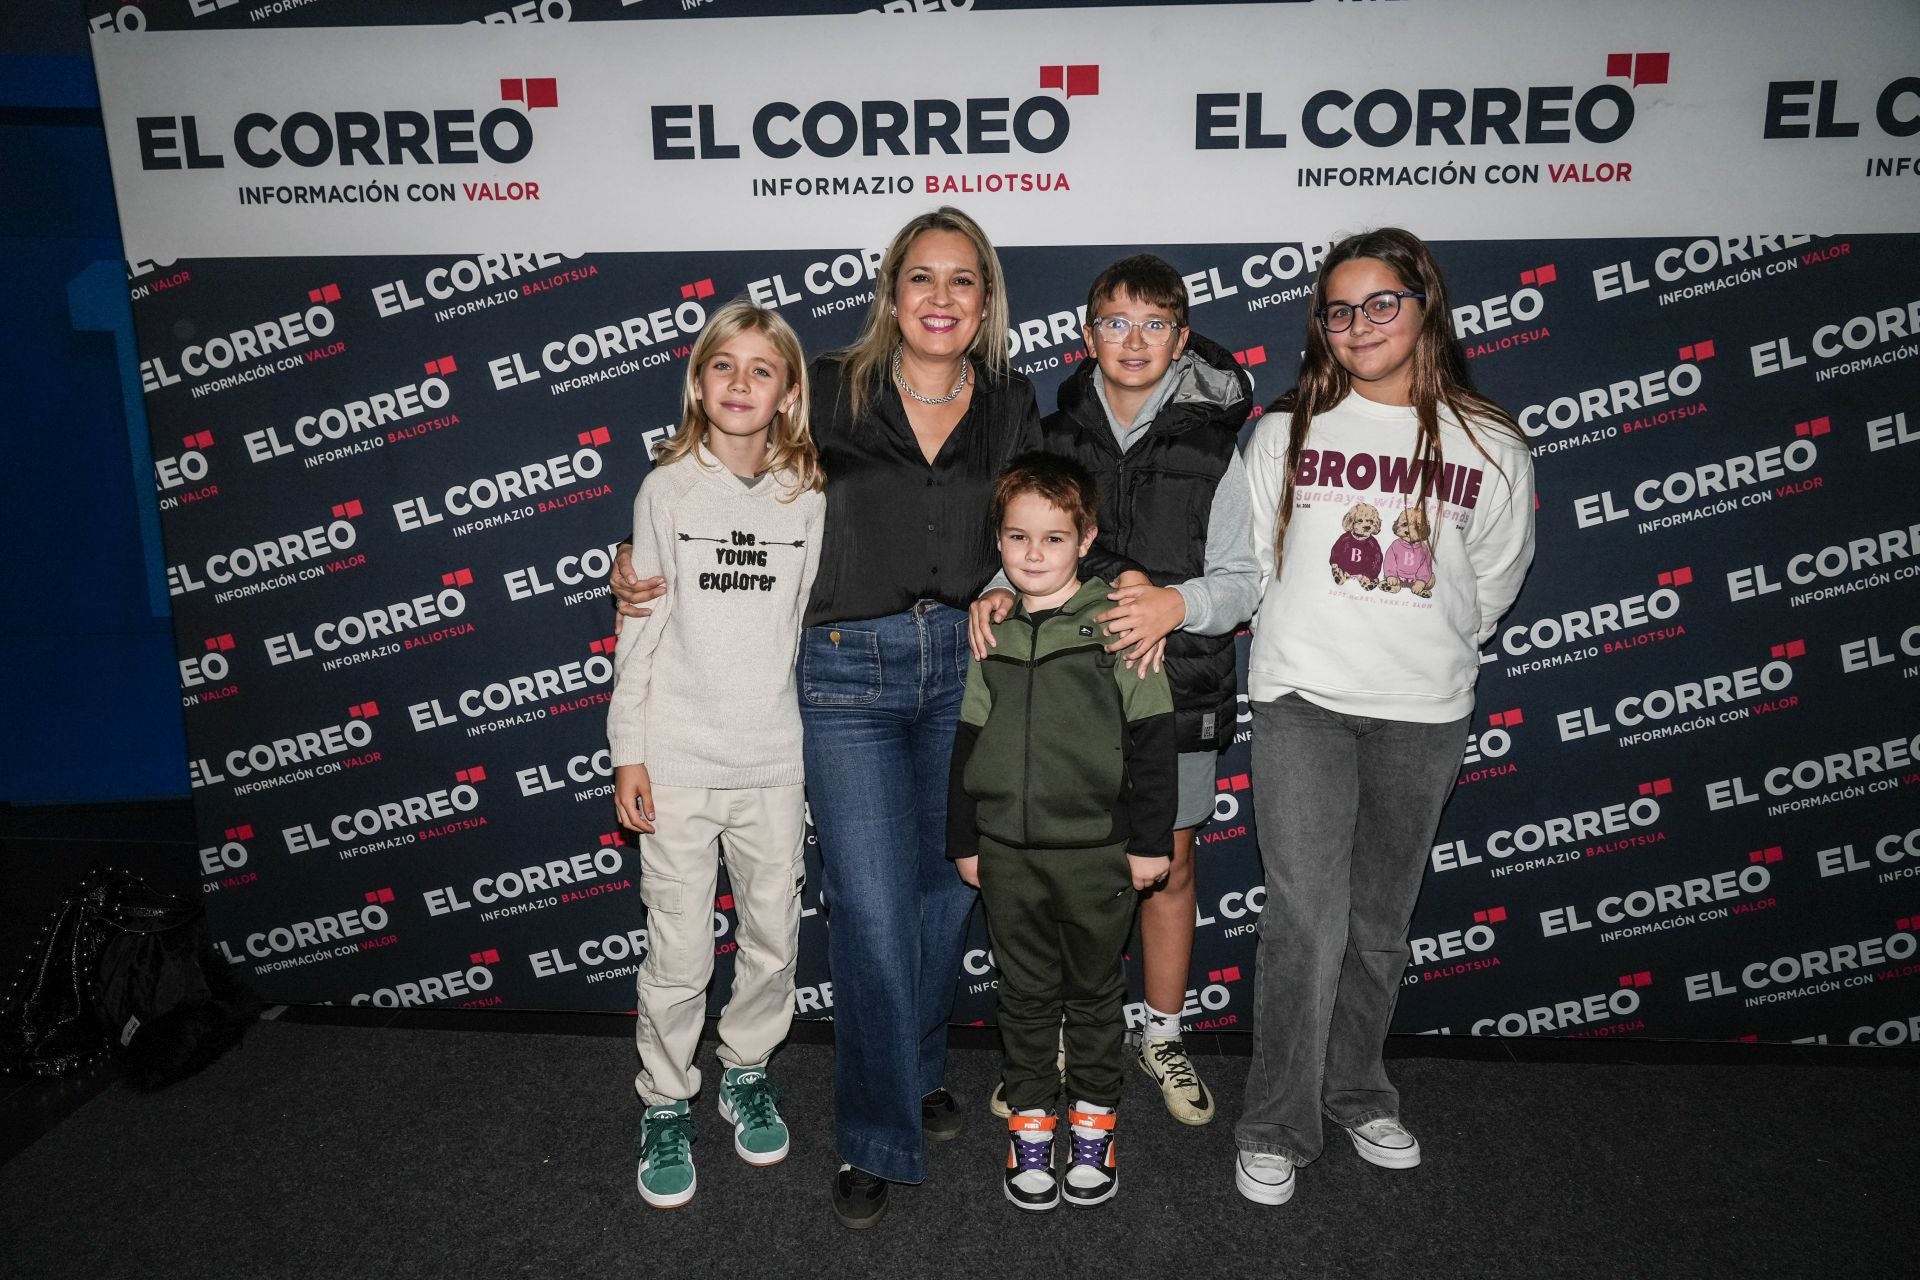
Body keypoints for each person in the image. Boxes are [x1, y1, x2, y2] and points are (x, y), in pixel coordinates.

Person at [611, 207, 1041, 1228]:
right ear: (891, 292)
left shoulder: (1015, 402)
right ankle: (877, 1132)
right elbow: (730, 497)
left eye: (962, 280)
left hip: (966, 666)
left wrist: (1010, 588)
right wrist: (633, 571)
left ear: (986, 301)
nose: (940, 297)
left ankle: (920, 1062)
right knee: (873, 910)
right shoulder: (836, 393)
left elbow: (1045, 518)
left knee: (946, 894)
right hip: (848, 673)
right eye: (920, 277)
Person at [1234, 227, 1535, 1205]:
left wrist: (1422, 643)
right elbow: (1263, 570)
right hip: (1304, 706)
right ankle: (1278, 1117)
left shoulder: (1490, 440)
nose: (1359, 323)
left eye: (1380, 302)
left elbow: (1492, 579)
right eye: (1339, 307)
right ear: (1320, 325)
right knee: (1306, 919)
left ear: (1424, 307)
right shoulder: (1286, 433)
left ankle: (1358, 1089)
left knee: (1377, 923)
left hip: (1423, 713)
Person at [969, 253, 1257, 1126]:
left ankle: (1161, 1034)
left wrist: (1178, 603)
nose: (1135, 342)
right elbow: (1028, 536)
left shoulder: (1219, 447)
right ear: (1088, 335)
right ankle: (1052, 1038)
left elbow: (1246, 580)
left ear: (1181, 337)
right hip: (1061, 705)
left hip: (1178, 690)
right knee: (1060, 873)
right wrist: (993, 585)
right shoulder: (1054, 437)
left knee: (1165, 868)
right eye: (1116, 323)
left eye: (1155, 324)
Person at [607, 300, 825, 1210]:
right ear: (699, 382)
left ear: (787, 391)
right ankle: (665, 1099)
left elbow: (805, 620)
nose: (741, 384)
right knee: (679, 949)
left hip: (774, 760)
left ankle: (744, 1068)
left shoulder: (806, 494)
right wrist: (629, 750)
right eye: (723, 367)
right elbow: (640, 625)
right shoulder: (666, 489)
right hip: (678, 761)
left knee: (774, 940)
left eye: (761, 369)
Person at [949, 452, 1175, 1211]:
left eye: (1052, 539)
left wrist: (1149, 842)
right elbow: (968, 742)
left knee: (1094, 995)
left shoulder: (1118, 621)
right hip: (1007, 854)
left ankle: (1093, 1123)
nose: (1033, 555)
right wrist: (966, 840)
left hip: (1097, 854)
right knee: (1025, 996)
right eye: (1017, 539)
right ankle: (1032, 1124)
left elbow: (1151, 739)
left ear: (1087, 539)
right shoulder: (993, 631)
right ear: (1000, 543)